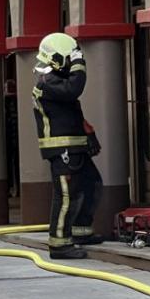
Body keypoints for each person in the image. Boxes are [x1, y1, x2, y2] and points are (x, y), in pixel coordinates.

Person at [32, 32, 104, 260]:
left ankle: (80, 230)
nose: (72, 62)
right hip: (62, 151)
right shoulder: (46, 81)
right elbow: (74, 89)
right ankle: (59, 244)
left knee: (92, 184)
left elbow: (70, 110)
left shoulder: (55, 80)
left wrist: (88, 134)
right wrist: (78, 63)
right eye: (69, 58)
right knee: (66, 196)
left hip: (74, 148)